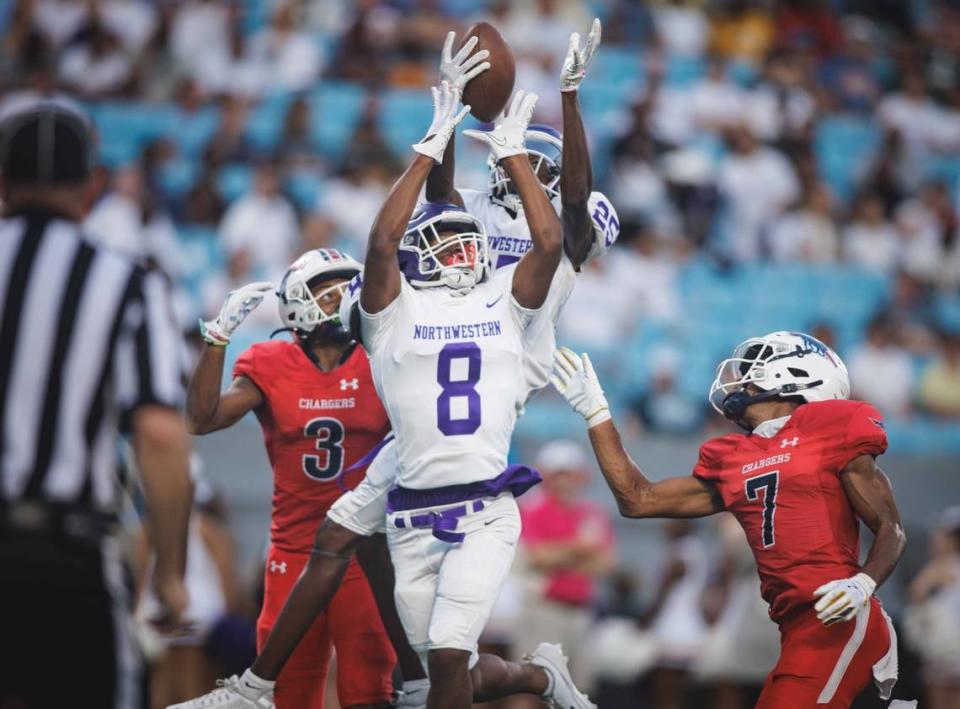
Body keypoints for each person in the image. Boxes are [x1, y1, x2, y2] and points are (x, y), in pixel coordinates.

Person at [171, 23, 608, 709]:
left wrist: (569, 100)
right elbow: (441, 203)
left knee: (390, 580)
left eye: (531, 167)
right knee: (347, 532)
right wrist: (454, 112)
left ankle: (380, 678)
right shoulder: (478, 231)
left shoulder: (552, 234)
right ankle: (294, 684)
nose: (512, 175)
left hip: (505, 368)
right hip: (446, 372)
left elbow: (570, 213)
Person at [550, 330, 907, 708]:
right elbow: (638, 499)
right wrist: (597, 413)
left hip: (840, 619)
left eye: (758, 365)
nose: (745, 377)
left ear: (803, 374)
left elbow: (892, 528)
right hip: (796, 627)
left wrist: (862, 584)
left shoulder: (834, 426)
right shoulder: (735, 455)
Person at [0, 100, 193, 708]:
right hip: (66, 555)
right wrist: (168, 571)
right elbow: (160, 435)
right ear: (93, 186)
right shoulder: (126, 282)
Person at [183, 247, 400, 709]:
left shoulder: (381, 360)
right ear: (298, 302)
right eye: (328, 290)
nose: (342, 297)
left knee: (370, 690)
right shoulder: (269, 363)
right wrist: (218, 338)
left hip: (365, 552)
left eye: (348, 287)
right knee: (290, 693)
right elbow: (201, 419)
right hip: (294, 551)